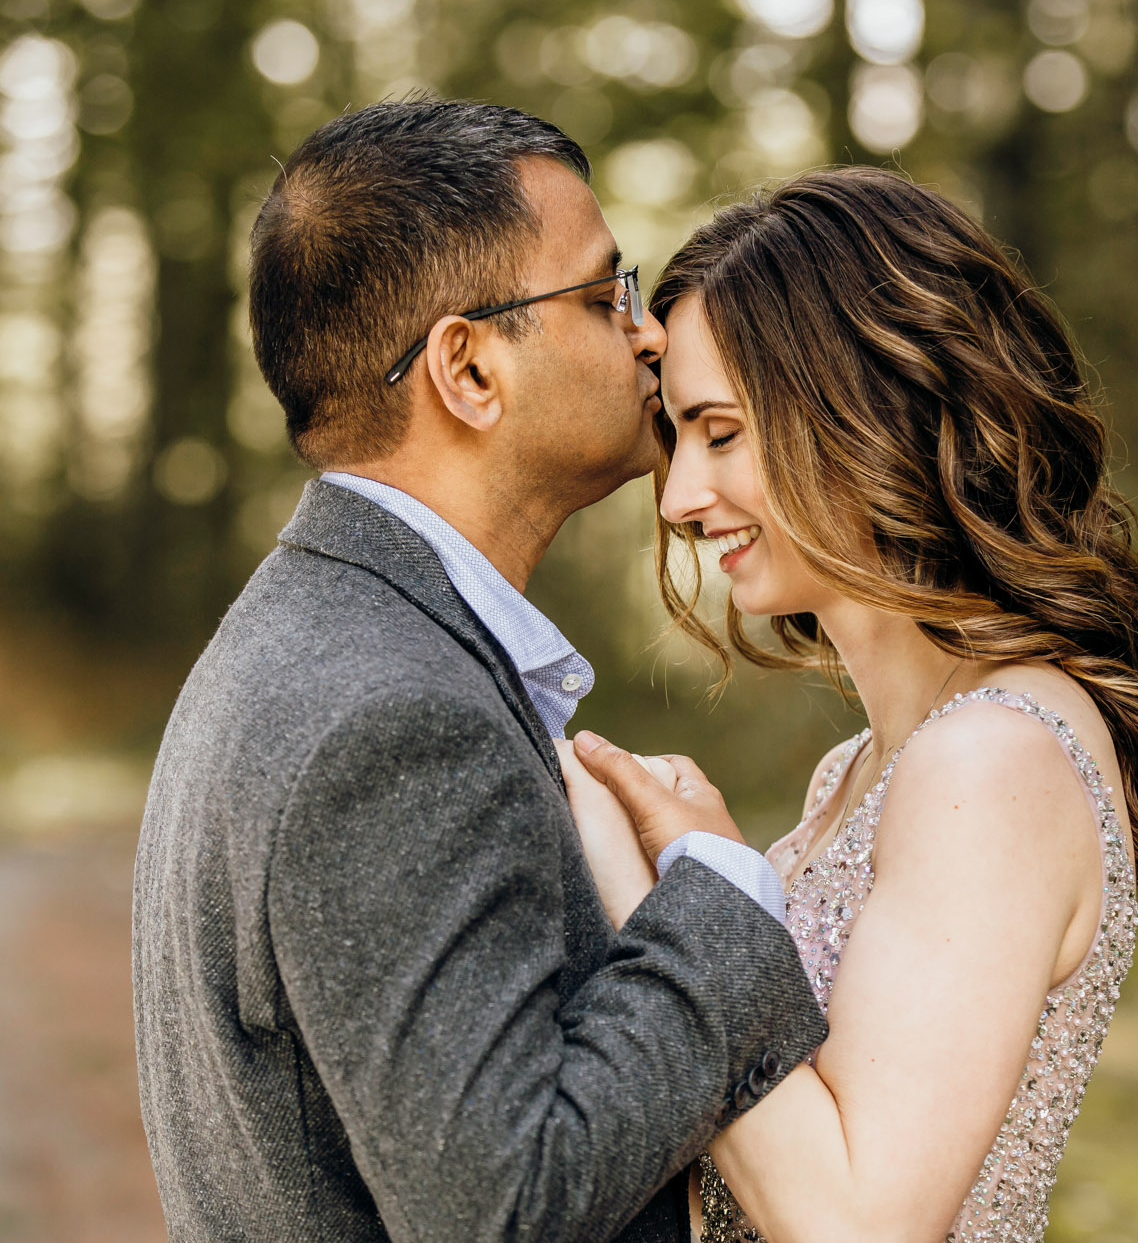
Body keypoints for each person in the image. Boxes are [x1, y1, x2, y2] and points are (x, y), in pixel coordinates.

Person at [131, 99, 827, 1243]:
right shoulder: (392, 718)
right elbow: (499, 1207)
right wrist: (712, 902)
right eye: (607, 294)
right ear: (467, 368)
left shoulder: (311, 635)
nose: (648, 334)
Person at [563, 166, 1138, 1242]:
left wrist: (660, 890)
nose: (683, 497)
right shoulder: (860, 769)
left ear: (861, 412)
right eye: (676, 439)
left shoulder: (992, 760)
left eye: (721, 432)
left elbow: (859, 1223)